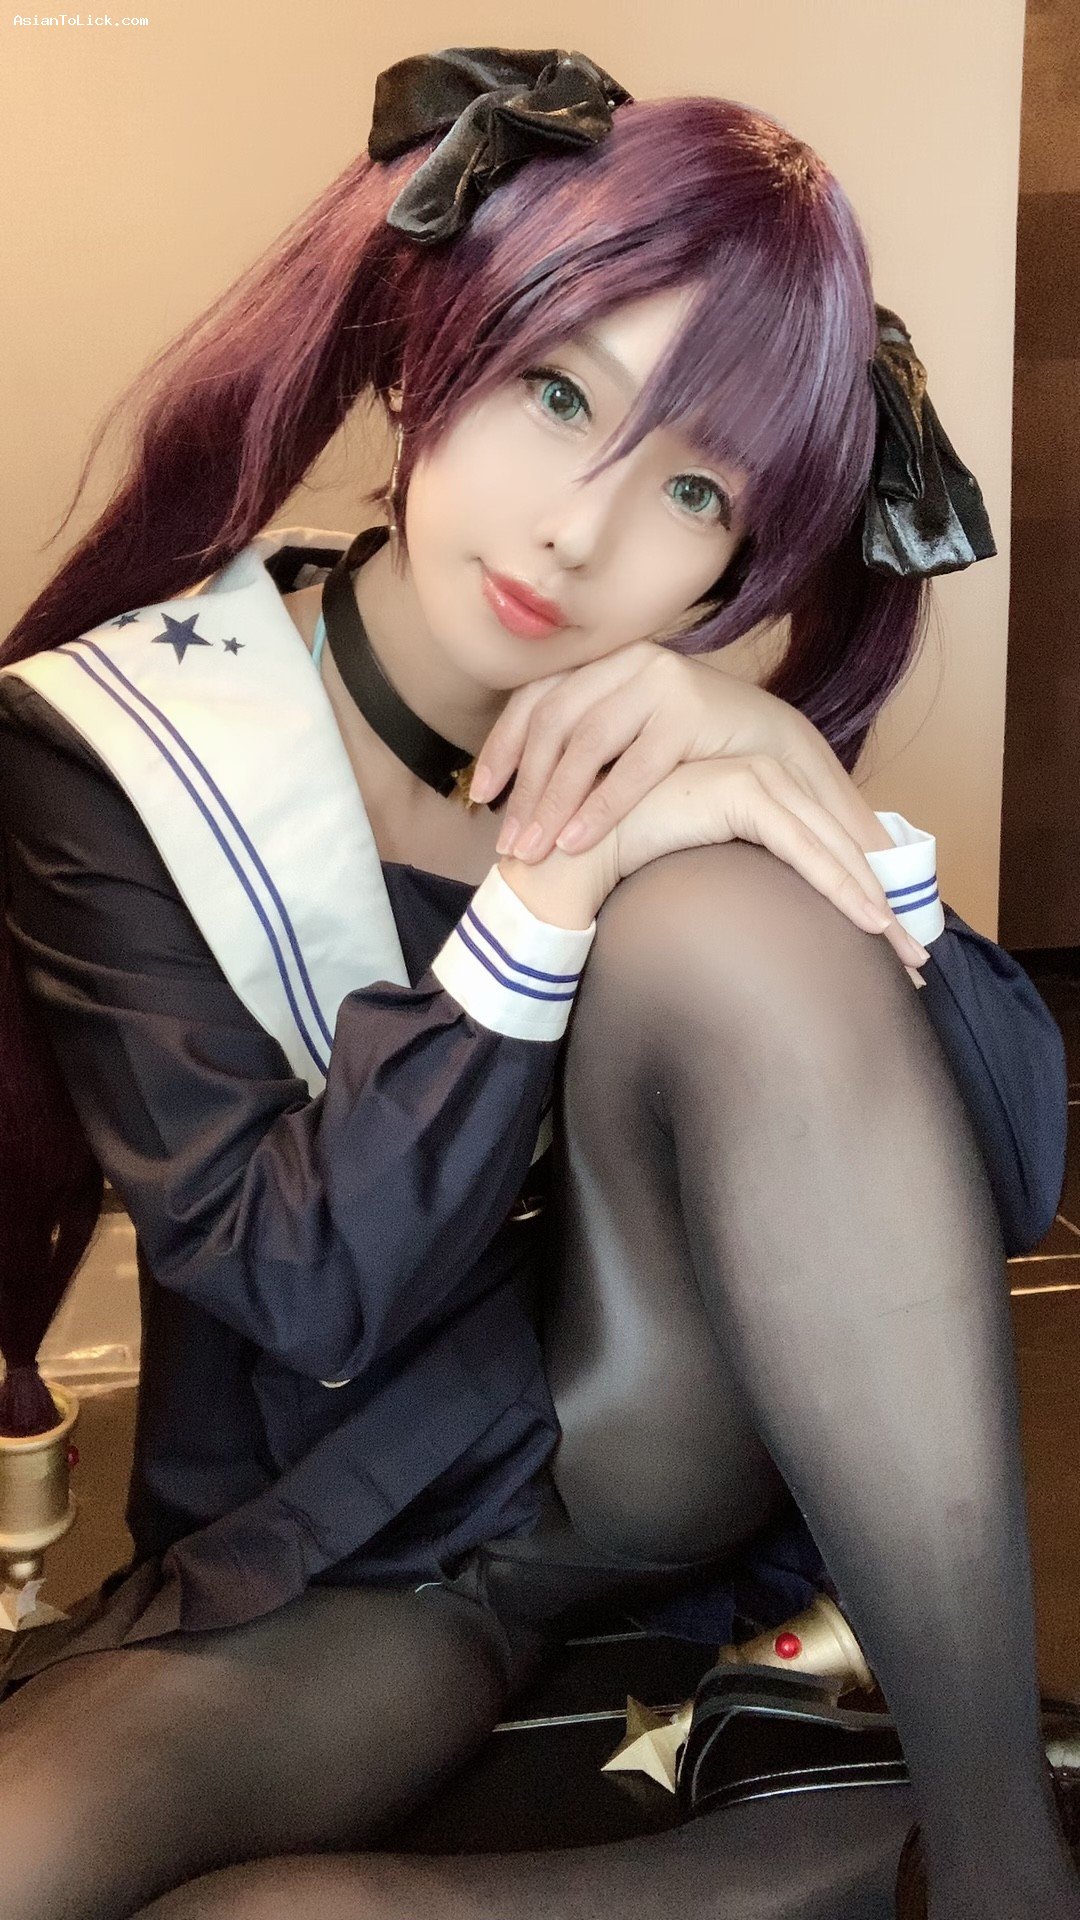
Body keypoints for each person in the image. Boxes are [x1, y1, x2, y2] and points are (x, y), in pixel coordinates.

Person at [0, 44, 1073, 1920]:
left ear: (740, 564)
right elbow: (302, 1284)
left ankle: (1000, 1868)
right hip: (345, 1527)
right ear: (437, 347)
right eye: (556, 390)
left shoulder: (695, 783)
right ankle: (814, 1867)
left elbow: (999, 1168)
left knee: (723, 919)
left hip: (627, 1456)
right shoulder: (120, 744)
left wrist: (798, 779)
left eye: (695, 489)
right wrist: (547, 881)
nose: (581, 529)